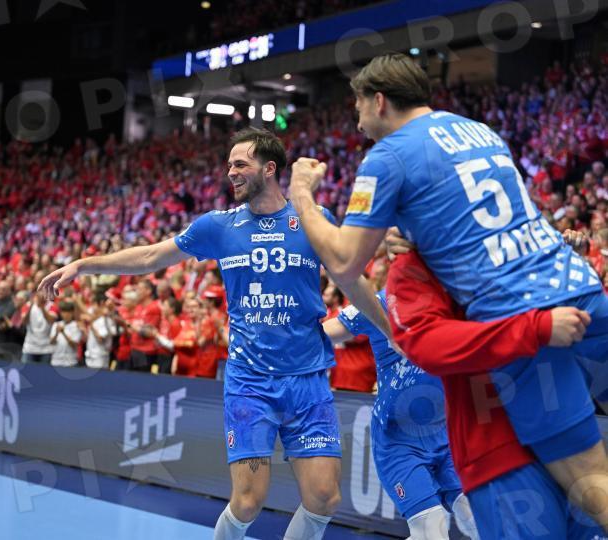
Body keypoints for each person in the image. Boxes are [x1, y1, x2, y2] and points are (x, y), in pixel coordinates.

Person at [288, 53, 608, 530]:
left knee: (589, 485)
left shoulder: (387, 156)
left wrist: (301, 195)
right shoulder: (480, 131)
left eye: (358, 107)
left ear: (379, 101)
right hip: (581, 291)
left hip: (525, 318)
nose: (357, 121)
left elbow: (344, 261)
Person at [40, 127, 391, 540]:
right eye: (228, 165)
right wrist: (84, 264)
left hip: (307, 378)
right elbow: (151, 256)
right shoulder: (218, 226)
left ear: (269, 168)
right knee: (248, 501)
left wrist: (391, 330)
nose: (231, 172)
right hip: (250, 382)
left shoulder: (313, 221)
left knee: (324, 498)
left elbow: (351, 279)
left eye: (240, 164)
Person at [385, 230, 604, 539]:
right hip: (497, 445)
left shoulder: (528, 234)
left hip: (565, 423)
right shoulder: (414, 263)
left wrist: (565, 261)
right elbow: (428, 347)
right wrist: (536, 329)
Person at [323, 291, 478, 539]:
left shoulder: (460, 300)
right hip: (398, 442)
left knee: (478, 520)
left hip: (448, 436)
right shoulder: (379, 303)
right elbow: (323, 333)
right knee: (432, 530)